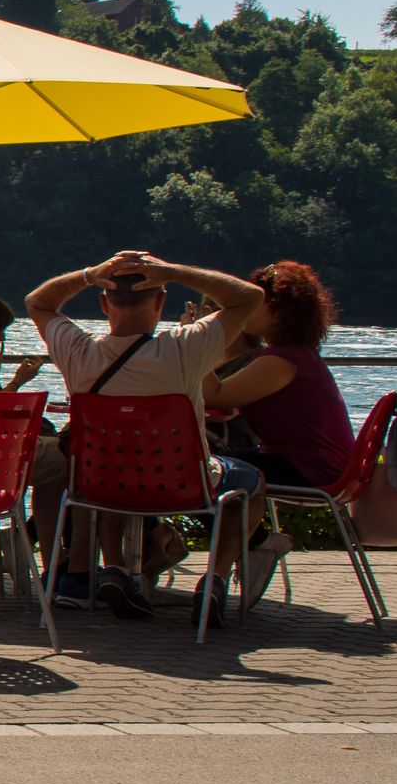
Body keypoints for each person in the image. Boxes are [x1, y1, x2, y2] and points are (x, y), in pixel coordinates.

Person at [25, 248, 267, 625]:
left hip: (104, 484)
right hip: (183, 484)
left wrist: (90, 274)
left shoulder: (78, 352)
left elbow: (38, 303)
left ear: (105, 303)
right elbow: (250, 297)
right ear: (161, 300)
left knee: (111, 468)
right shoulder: (185, 348)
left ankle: (118, 568)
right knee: (251, 483)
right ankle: (215, 578)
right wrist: (173, 271)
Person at [205, 261, 355, 492]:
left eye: (257, 303)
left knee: (199, 472)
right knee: (205, 467)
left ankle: (258, 532)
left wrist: (198, 342)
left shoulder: (282, 361)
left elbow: (216, 396)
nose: (248, 309)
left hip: (311, 469)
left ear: (279, 312)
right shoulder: (298, 355)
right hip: (306, 463)